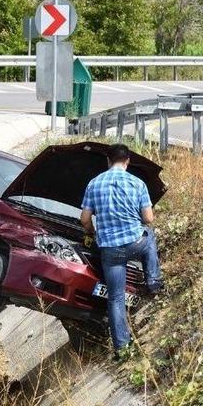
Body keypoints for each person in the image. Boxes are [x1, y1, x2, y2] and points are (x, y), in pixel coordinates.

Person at [79, 143, 164, 360]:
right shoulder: (137, 183)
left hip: (111, 251)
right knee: (150, 235)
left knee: (115, 298)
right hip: (136, 243)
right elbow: (148, 219)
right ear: (127, 161)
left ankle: (122, 348)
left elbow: (85, 220)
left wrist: (94, 232)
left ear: (108, 161)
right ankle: (154, 282)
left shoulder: (94, 184)